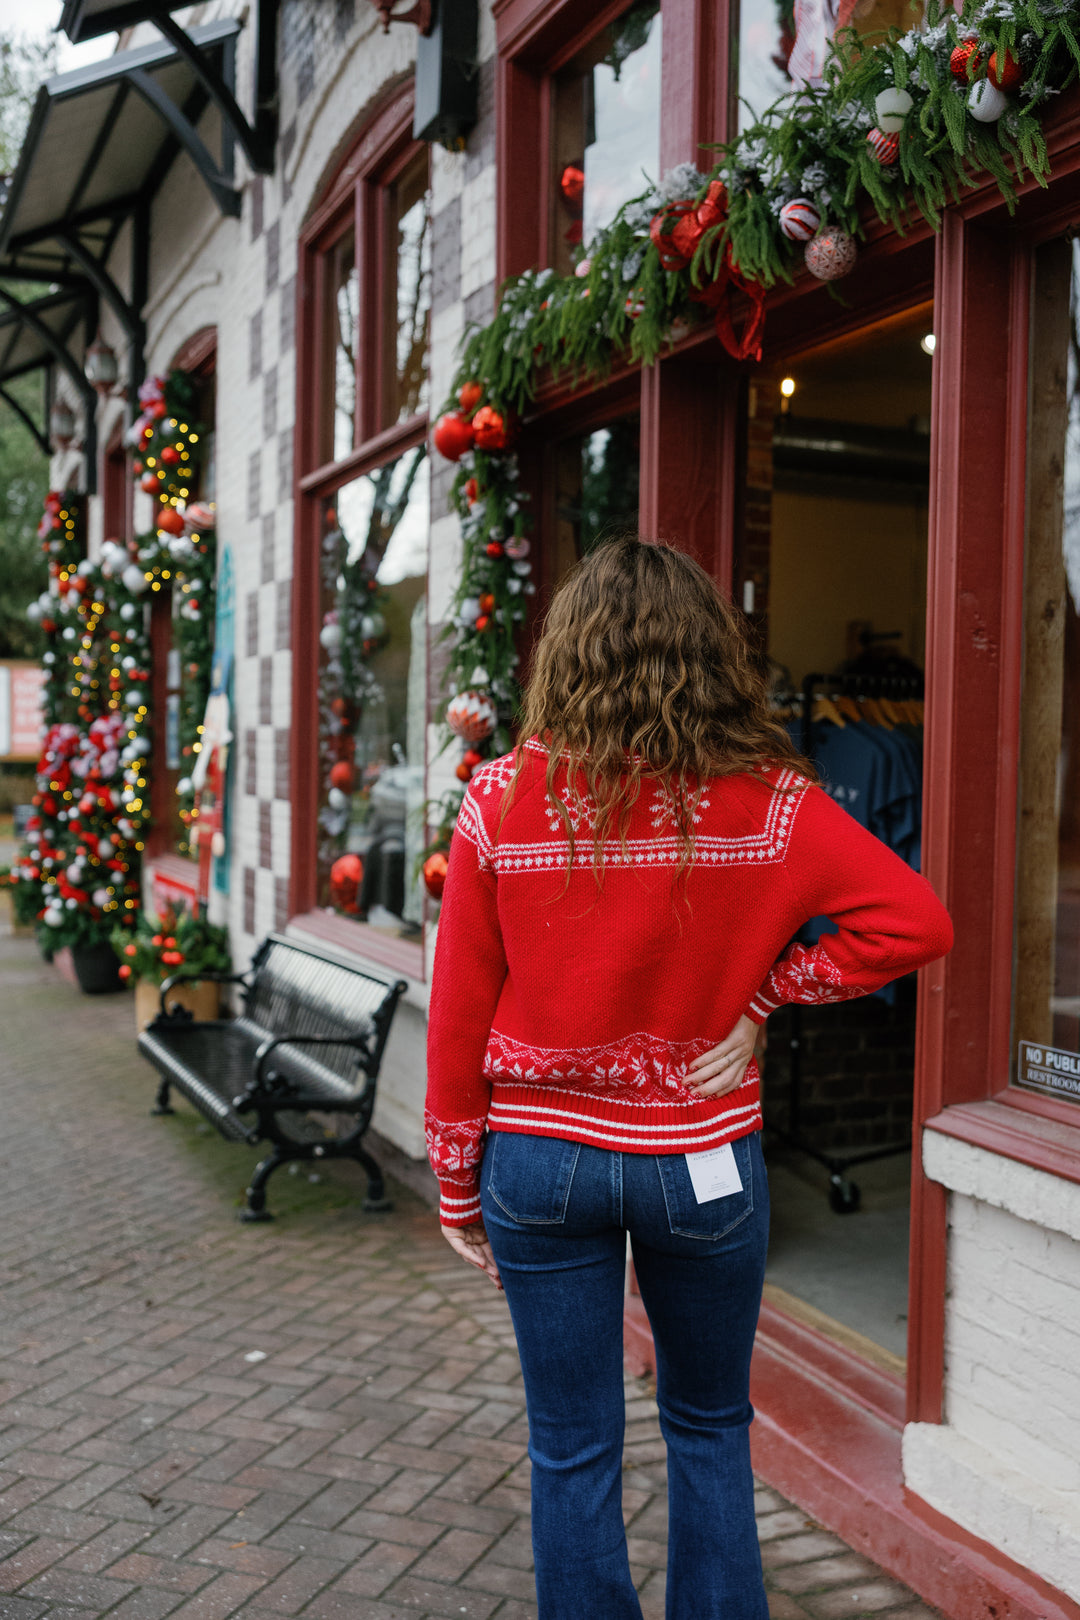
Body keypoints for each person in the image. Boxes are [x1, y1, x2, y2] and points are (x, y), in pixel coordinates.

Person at [425, 535, 953, 1620]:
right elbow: (917, 922)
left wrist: (455, 1182)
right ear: (713, 657)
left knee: (570, 1445)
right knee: (711, 1427)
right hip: (700, 1157)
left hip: (542, 1162)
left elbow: (460, 1011)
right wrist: (767, 1001)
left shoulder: (499, 799)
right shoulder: (772, 803)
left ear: (567, 654)